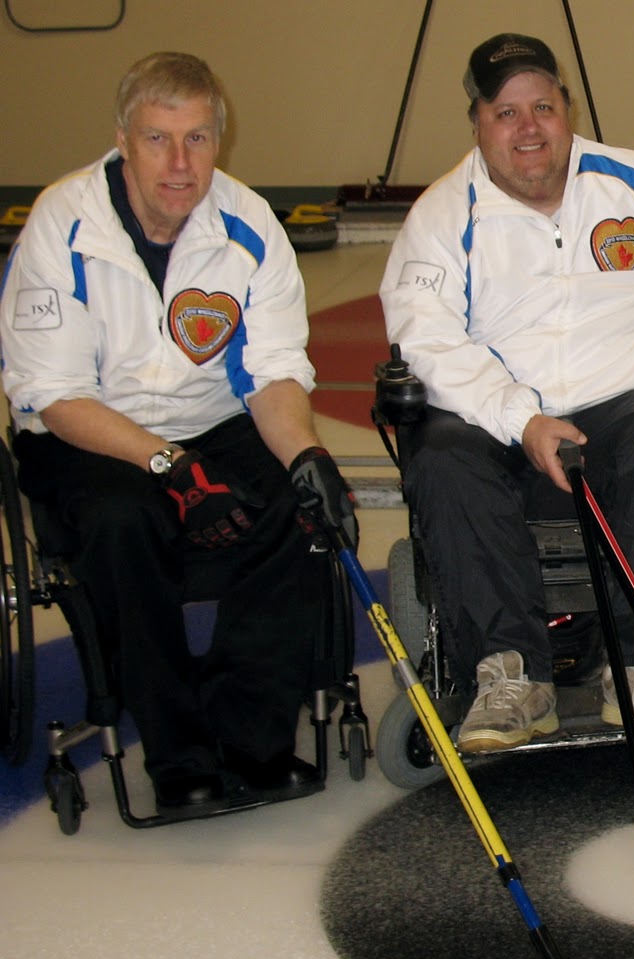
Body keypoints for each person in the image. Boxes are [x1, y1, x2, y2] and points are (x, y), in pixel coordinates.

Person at [0, 52, 359, 817]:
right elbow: (55, 395)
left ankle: (249, 734)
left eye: (197, 139)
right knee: (124, 520)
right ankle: (178, 753)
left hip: (209, 420)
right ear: (122, 139)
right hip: (85, 433)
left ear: (218, 140)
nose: (179, 163)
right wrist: (171, 466)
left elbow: (272, 372)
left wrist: (306, 455)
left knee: (293, 505)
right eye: (158, 139)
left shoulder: (247, 225)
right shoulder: (63, 225)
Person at [380, 33, 634, 752]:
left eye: (542, 107)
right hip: (492, 417)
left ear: (567, 109)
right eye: (505, 112)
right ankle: (511, 676)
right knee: (440, 453)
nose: (528, 128)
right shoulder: (441, 216)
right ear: (478, 123)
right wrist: (522, 419)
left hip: (620, 402)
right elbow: (426, 339)